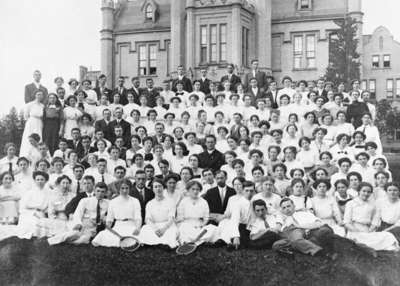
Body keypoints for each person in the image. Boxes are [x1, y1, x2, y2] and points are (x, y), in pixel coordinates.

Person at [344, 182, 399, 251]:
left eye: (369, 192)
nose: (366, 194)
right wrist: (357, 231)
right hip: (354, 230)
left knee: (387, 235)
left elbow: (375, 220)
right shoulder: (351, 203)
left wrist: (370, 230)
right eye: (364, 191)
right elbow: (347, 222)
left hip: (368, 230)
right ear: (359, 191)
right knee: (361, 241)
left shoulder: (372, 204)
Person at [272, 198, 336, 257]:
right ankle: (302, 245)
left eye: (288, 206)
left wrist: (299, 226)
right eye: (284, 208)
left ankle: (318, 251)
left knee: (296, 240)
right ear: (282, 210)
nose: (287, 209)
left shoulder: (304, 214)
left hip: (300, 231)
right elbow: (277, 229)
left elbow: (318, 223)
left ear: (294, 206)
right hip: (288, 235)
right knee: (276, 245)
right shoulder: (282, 219)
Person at [92, 179, 142, 247]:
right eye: (122, 188)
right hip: (118, 226)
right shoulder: (113, 202)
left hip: (131, 225)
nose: (124, 190)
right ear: (118, 189)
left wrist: (138, 228)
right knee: (102, 235)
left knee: (136, 235)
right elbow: (110, 219)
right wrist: (108, 229)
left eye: (126, 188)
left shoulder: (135, 201)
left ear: (129, 188)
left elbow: (138, 217)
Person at [138, 179, 178, 248]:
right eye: (155, 187)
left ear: (163, 188)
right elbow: (148, 219)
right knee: (144, 229)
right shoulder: (149, 203)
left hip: (167, 225)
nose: (158, 189)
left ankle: (161, 243)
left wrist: (163, 229)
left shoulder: (171, 201)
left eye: (160, 186)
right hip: (154, 225)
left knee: (171, 231)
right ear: (153, 189)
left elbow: (172, 218)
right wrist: (155, 229)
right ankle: (156, 243)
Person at [176, 181, 218, 245]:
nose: (195, 191)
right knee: (183, 228)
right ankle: (200, 241)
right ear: (188, 190)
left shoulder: (204, 202)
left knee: (212, 228)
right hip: (187, 225)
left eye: (197, 189)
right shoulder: (183, 201)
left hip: (200, 226)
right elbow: (180, 217)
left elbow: (206, 218)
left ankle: (192, 241)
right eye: (193, 189)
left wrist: (202, 225)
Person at [216, 177, 252, 248]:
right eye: (235, 185)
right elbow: (227, 212)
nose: (237, 187)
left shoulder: (247, 196)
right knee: (223, 222)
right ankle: (225, 240)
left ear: (243, 185)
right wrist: (222, 216)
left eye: (239, 184)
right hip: (232, 219)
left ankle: (227, 241)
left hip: (242, 221)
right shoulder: (231, 198)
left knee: (230, 223)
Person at [20, 90, 45, 157]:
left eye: (41, 95)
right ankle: (26, 156)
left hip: (39, 123)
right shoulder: (29, 104)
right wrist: (30, 122)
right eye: (38, 94)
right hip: (31, 123)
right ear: (35, 95)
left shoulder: (43, 106)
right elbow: (26, 116)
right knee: (29, 139)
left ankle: (38, 156)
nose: (40, 96)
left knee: (39, 138)